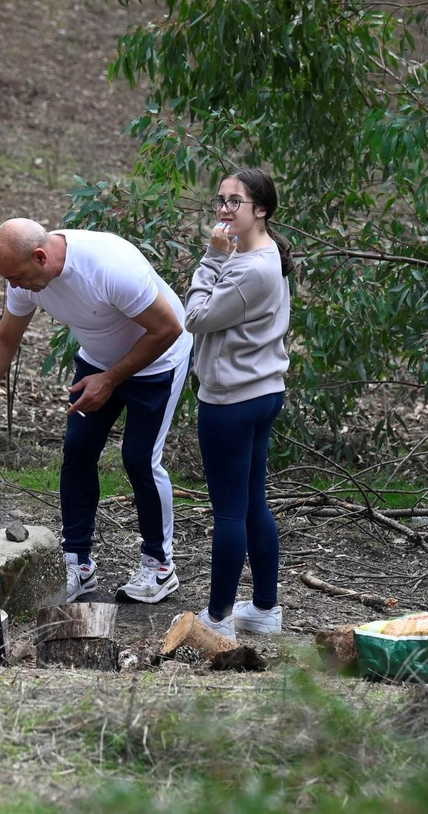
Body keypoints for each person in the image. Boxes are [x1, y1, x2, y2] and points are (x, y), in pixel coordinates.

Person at [0, 219, 192, 604]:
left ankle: (159, 567)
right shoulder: (25, 278)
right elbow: (6, 338)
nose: (14, 286)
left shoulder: (109, 267)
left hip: (158, 359)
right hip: (98, 359)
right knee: (77, 451)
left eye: (17, 276)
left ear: (40, 257)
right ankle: (79, 563)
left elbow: (168, 330)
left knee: (140, 459)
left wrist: (109, 380)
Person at [185, 169, 292, 639]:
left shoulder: (250, 268)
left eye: (236, 202)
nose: (225, 209)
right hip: (264, 392)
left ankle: (216, 619)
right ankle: (264, 611)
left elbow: (196, 318)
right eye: (221, 200)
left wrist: (210, 257)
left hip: (231, 400)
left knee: (230, 512)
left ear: (261, 210)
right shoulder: (261, 255)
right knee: (252, 504)